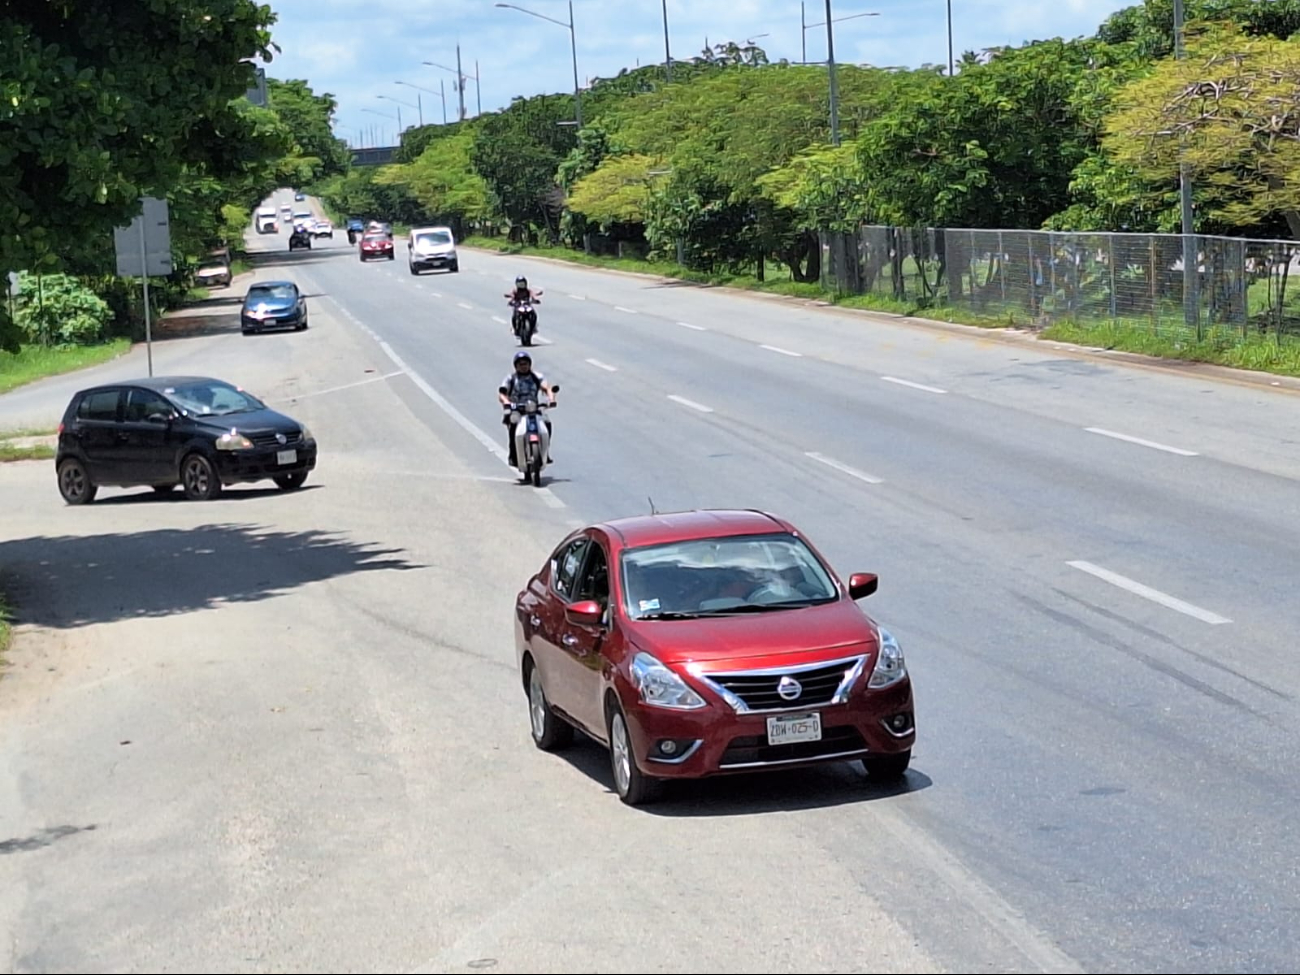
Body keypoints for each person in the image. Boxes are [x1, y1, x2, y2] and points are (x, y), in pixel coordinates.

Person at [499, 351, 555, 467]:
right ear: (516, 366)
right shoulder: (511, 378)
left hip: (533, 408)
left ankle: (545, 452)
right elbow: (502, 393)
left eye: (525, 363)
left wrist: (551, 399)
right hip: (517, 409)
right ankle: (513, 455)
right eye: (520, 364)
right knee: (513, 425)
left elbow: (547, 388)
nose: (523, 366)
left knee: (547, 423)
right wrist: (506, 403)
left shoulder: (536, 377)